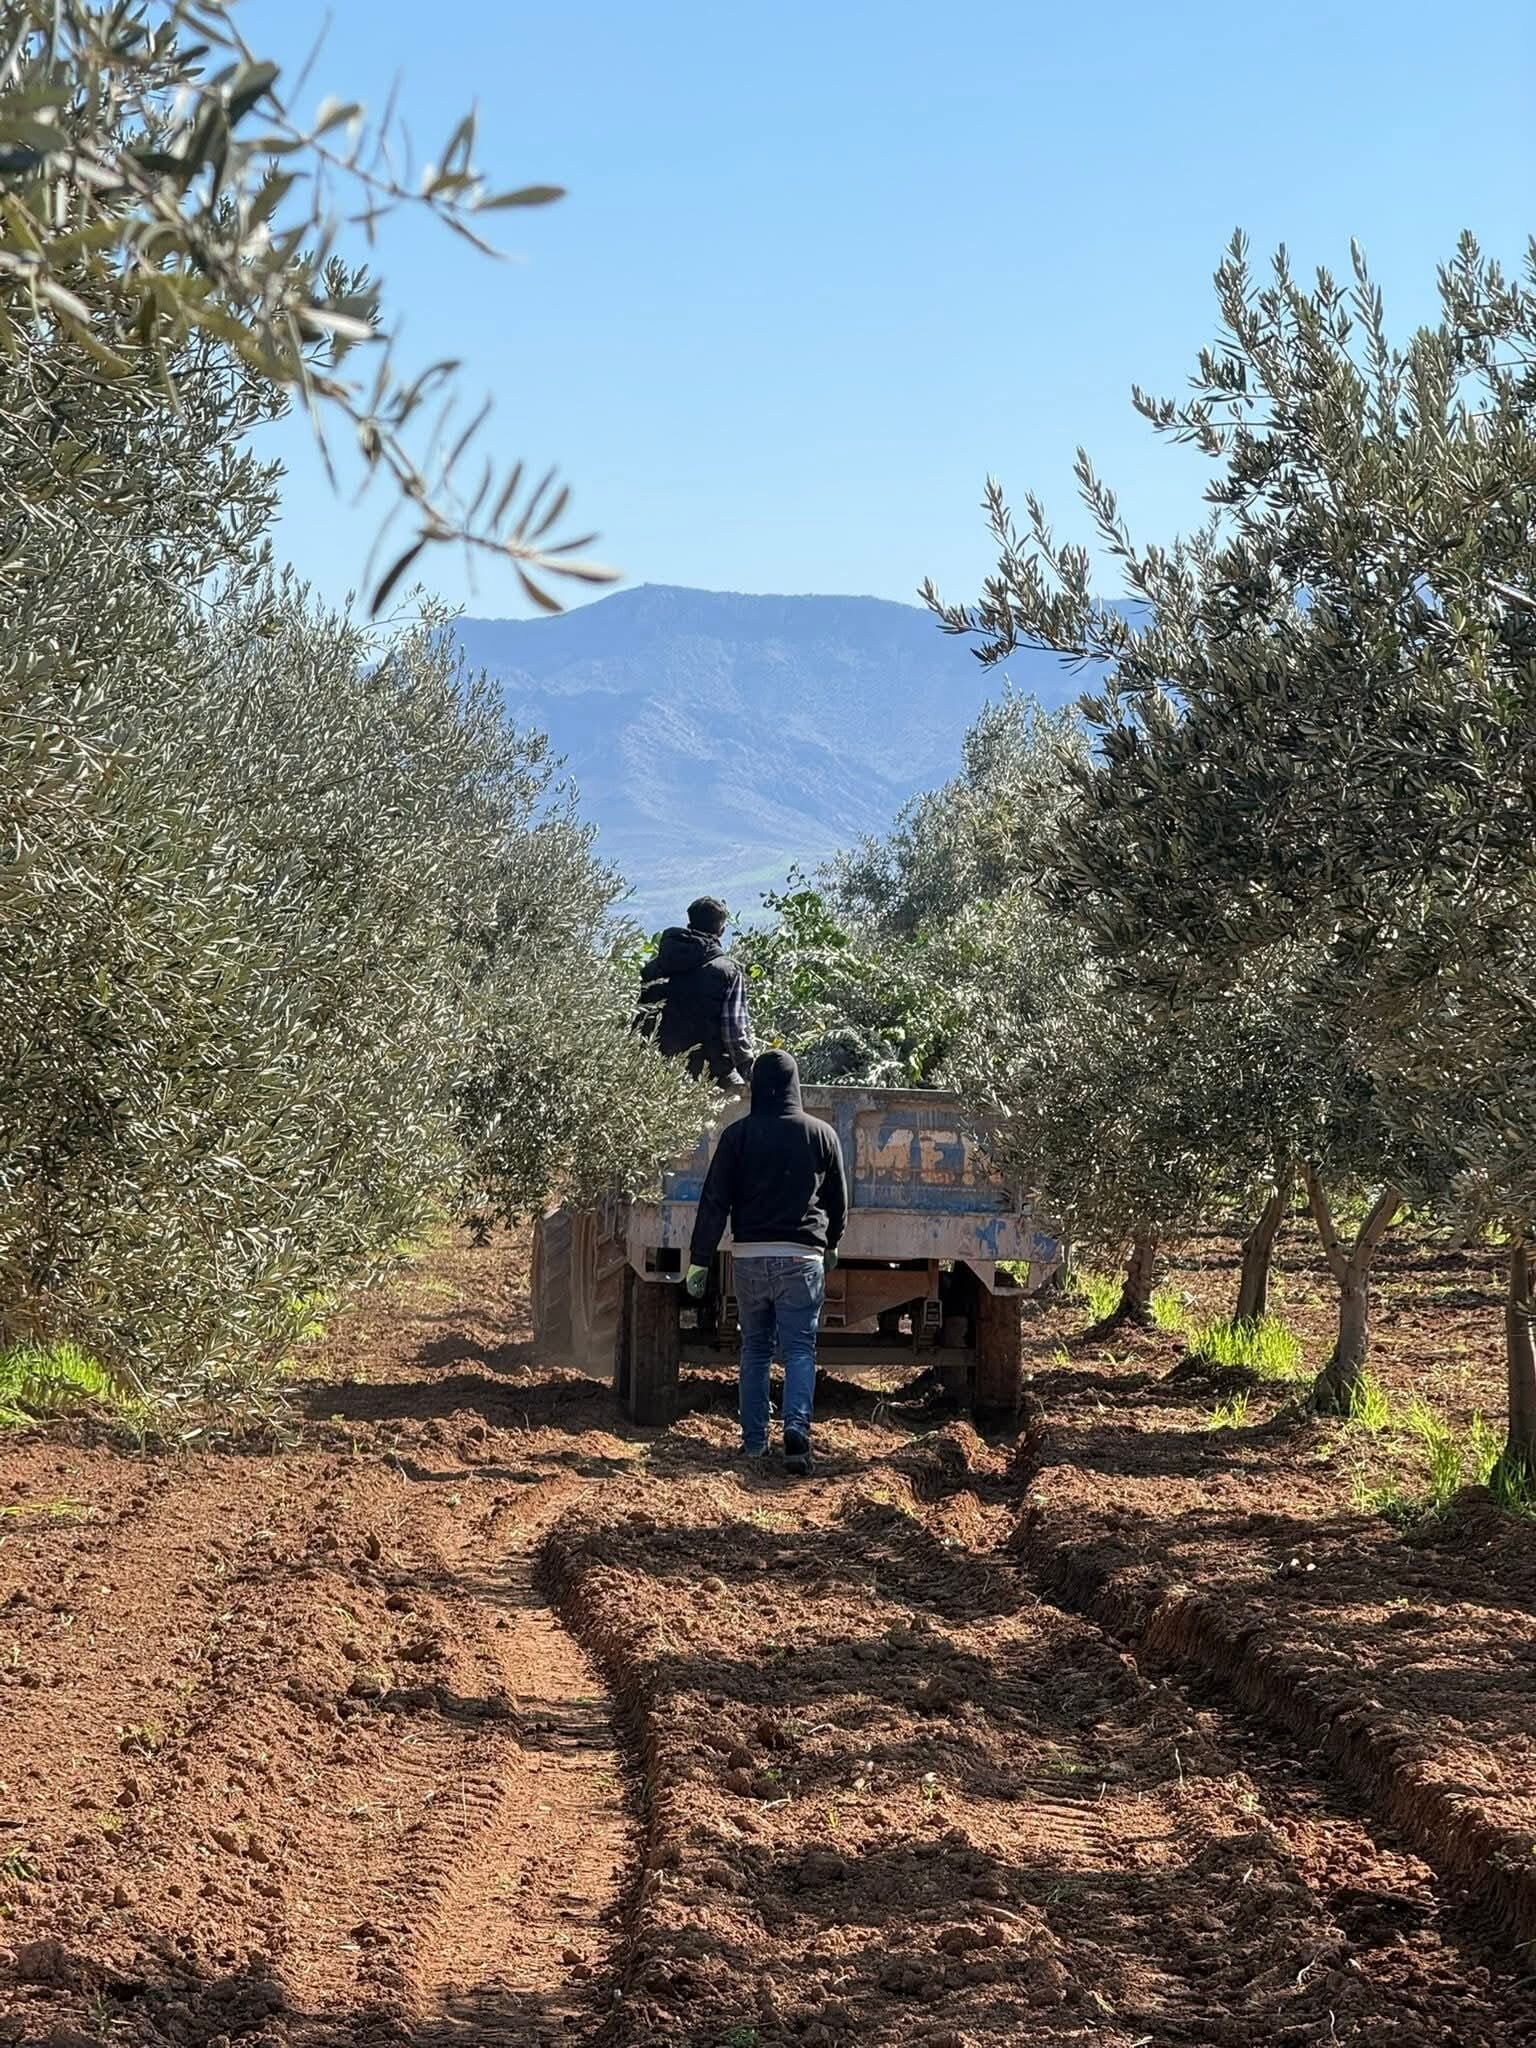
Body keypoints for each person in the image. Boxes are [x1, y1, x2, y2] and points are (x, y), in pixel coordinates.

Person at [685, 1050, 847, 1475]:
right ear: (796, 1084)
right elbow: (839, 1200)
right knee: (798, 1349)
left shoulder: (737, 1136)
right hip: (802, 1258)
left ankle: (754, 1442)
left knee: (755, 1349)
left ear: (756, 1087)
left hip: (750, 1258)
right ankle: (796, 1430)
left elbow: (714, 1201)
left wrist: (700, 1260)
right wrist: (831, 1242)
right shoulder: (822, 1134)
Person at [635, 895, 754, 1086]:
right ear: (721, 930)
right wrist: (749, 1071)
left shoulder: (653, 968)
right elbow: (734, 1031)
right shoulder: (727, 971)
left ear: (689, 924)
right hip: (709, 1075)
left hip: (654, 1075)